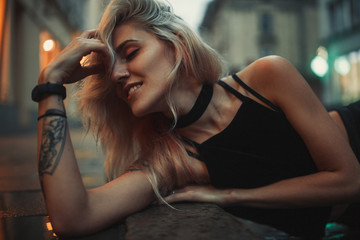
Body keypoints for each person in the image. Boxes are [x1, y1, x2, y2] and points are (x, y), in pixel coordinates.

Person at [32, 0, 360, 238]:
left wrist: (229, 195)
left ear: (175, 46)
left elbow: (347, 179)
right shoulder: (171, 161)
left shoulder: (266, 76)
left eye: (130, 54)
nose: (117, 74)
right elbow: (72, 218)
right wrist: (50, 85)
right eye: (109, 67)